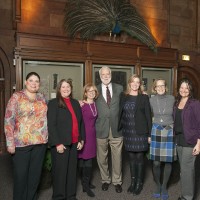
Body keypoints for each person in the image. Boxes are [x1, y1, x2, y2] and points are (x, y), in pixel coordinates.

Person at [4, 72, 48, 200]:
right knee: (20, 178)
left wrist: (76, 102)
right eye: (31, 80)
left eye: (36, 81)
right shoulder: (16, 97)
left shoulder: (42, 97)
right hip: (21, 144)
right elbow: (8, 120)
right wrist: (9, 143)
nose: (34, 83)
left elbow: (57, 105)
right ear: (25, 82)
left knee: (34, 178)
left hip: (40, 144)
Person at [47, 79, 85, 200]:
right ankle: (59, 197)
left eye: (68, 86)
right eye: (63, 87)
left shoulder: (75, 103)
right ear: (59, 89)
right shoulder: (53, 103)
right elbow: (51, 125)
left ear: (71, 88)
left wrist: (81, 139)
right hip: (61, 143)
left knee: (71, 172)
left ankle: (71, 196)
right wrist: (57, 143)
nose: (66, 89)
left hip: (74, 143)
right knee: (60, 173)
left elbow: (80, 123)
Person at [118, 74, 152, 196]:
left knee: (139, 158)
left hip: (141, 132)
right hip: (128, 131)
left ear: (140, 84)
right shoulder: (124, 96)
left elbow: (148, 116)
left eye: (138, 82)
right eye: (133, 82)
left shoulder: (144, 97)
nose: (135, 84)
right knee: (131, 158)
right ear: (129, 83)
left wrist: (149, 134)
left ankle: (139, 183)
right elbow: (119, 111)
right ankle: (132, 182)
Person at [95, 66, 123, 193]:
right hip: (101, 128)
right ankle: (105, 180)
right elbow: (88, 102)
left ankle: (117, 181)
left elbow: (127, 101)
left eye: (108, 74)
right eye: (103, 74)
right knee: (102, 158)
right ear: (100, 76)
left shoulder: (119, 88)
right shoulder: (94, 89)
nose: (106, 76)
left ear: (111, 75)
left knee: (117, 157)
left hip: (117, 128)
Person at [149, 78, 177, 200]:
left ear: (166, 87)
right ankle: (158, 185)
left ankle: (164, 186)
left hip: (170, 131)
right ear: (154, 88)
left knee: (168, 161)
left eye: (162, 85)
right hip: (156, 130)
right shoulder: (150, 100)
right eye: (158, 86)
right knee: (156, 162)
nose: (160, 88)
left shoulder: (172, 99)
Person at [174, 78, 200, 200]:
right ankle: (184, 194)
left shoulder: (195, 103)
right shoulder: (177, 102)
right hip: (179, 140)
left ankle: (188, 197)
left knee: (188, 170)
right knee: (183, 170)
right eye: (181, 87)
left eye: (186, 88)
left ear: (190, 90)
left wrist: (199, 144)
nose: (183, 90)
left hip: (190, 141)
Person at [78, 83, 98, 197]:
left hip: (92, 135)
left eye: (93, 91)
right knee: (83, 160)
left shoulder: (95, 104)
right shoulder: (81, 105)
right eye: (89, 91)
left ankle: (86, 182)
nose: (91, 93)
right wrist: (80, 138)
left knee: (88, 159)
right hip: (83, 135)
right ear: (85, 93)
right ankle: (85, 186)